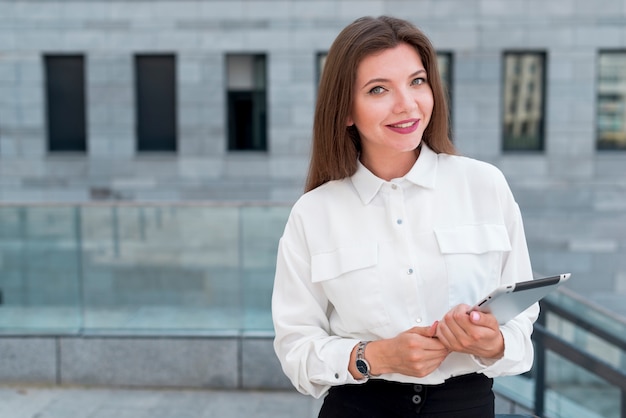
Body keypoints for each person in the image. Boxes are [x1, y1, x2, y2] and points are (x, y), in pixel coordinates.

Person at [272, 15, 538, 418]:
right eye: (379, 89)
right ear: (346, 111)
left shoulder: (485, 186)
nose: (407, 104)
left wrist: (492, 344)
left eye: (417, 81)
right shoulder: (313, 214)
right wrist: (376, 357)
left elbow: (521, 326)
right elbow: (296, 350)